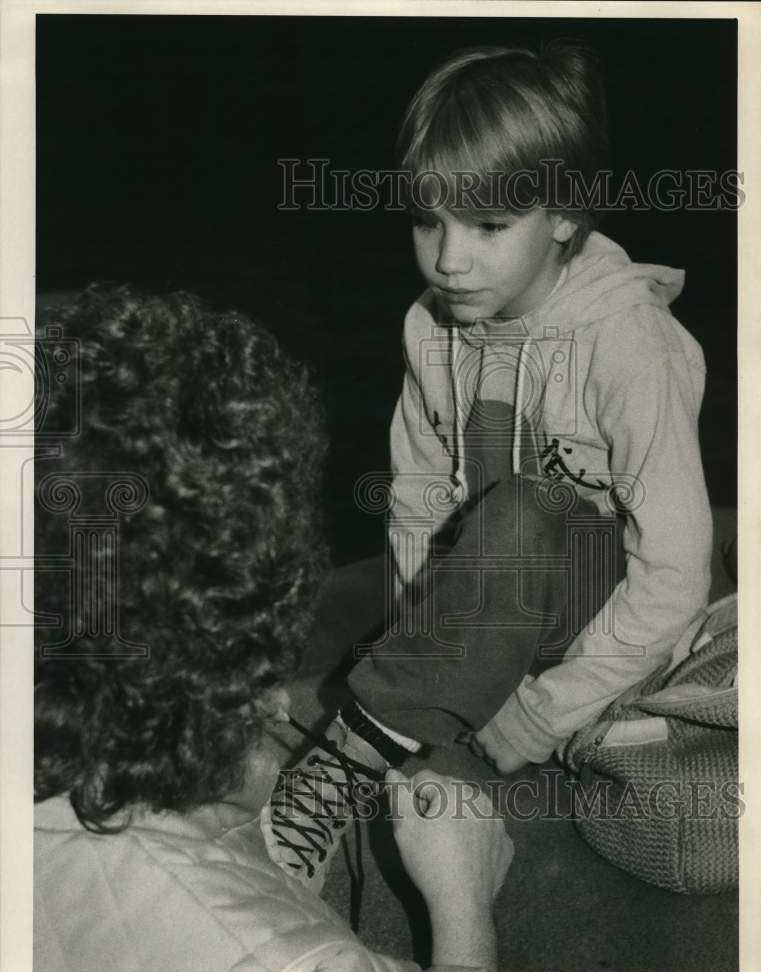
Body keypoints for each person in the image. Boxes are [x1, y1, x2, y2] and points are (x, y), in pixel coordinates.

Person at [262, 40, 713, 886]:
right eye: (427, 220)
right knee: (304, 657)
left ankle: (350, 755)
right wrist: (421, 648)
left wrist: (540, 712)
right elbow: (418, 506)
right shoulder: (429, 326)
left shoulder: (626, 342)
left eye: (489, 226)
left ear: (565, 217)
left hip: (599, 623)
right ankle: (398, 717)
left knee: (520, 510)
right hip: (485, 607)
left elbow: (675, 572)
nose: (449, 258)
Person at [33, 286, 513, 972]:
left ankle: (292, 824)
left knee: (397, 595)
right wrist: (463, 902)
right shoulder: (281, 963)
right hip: (226, 919)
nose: (276, 706)